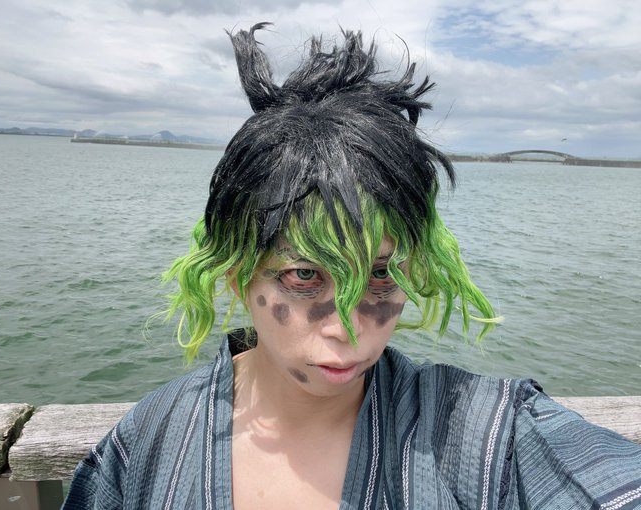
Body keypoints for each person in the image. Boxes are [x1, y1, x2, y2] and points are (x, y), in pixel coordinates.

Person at [63, 23, 641, 509]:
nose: (348, 326)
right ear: (238, 273)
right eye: (304, 275)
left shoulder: (484, 434)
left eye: (381, 274)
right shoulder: (147, 445)